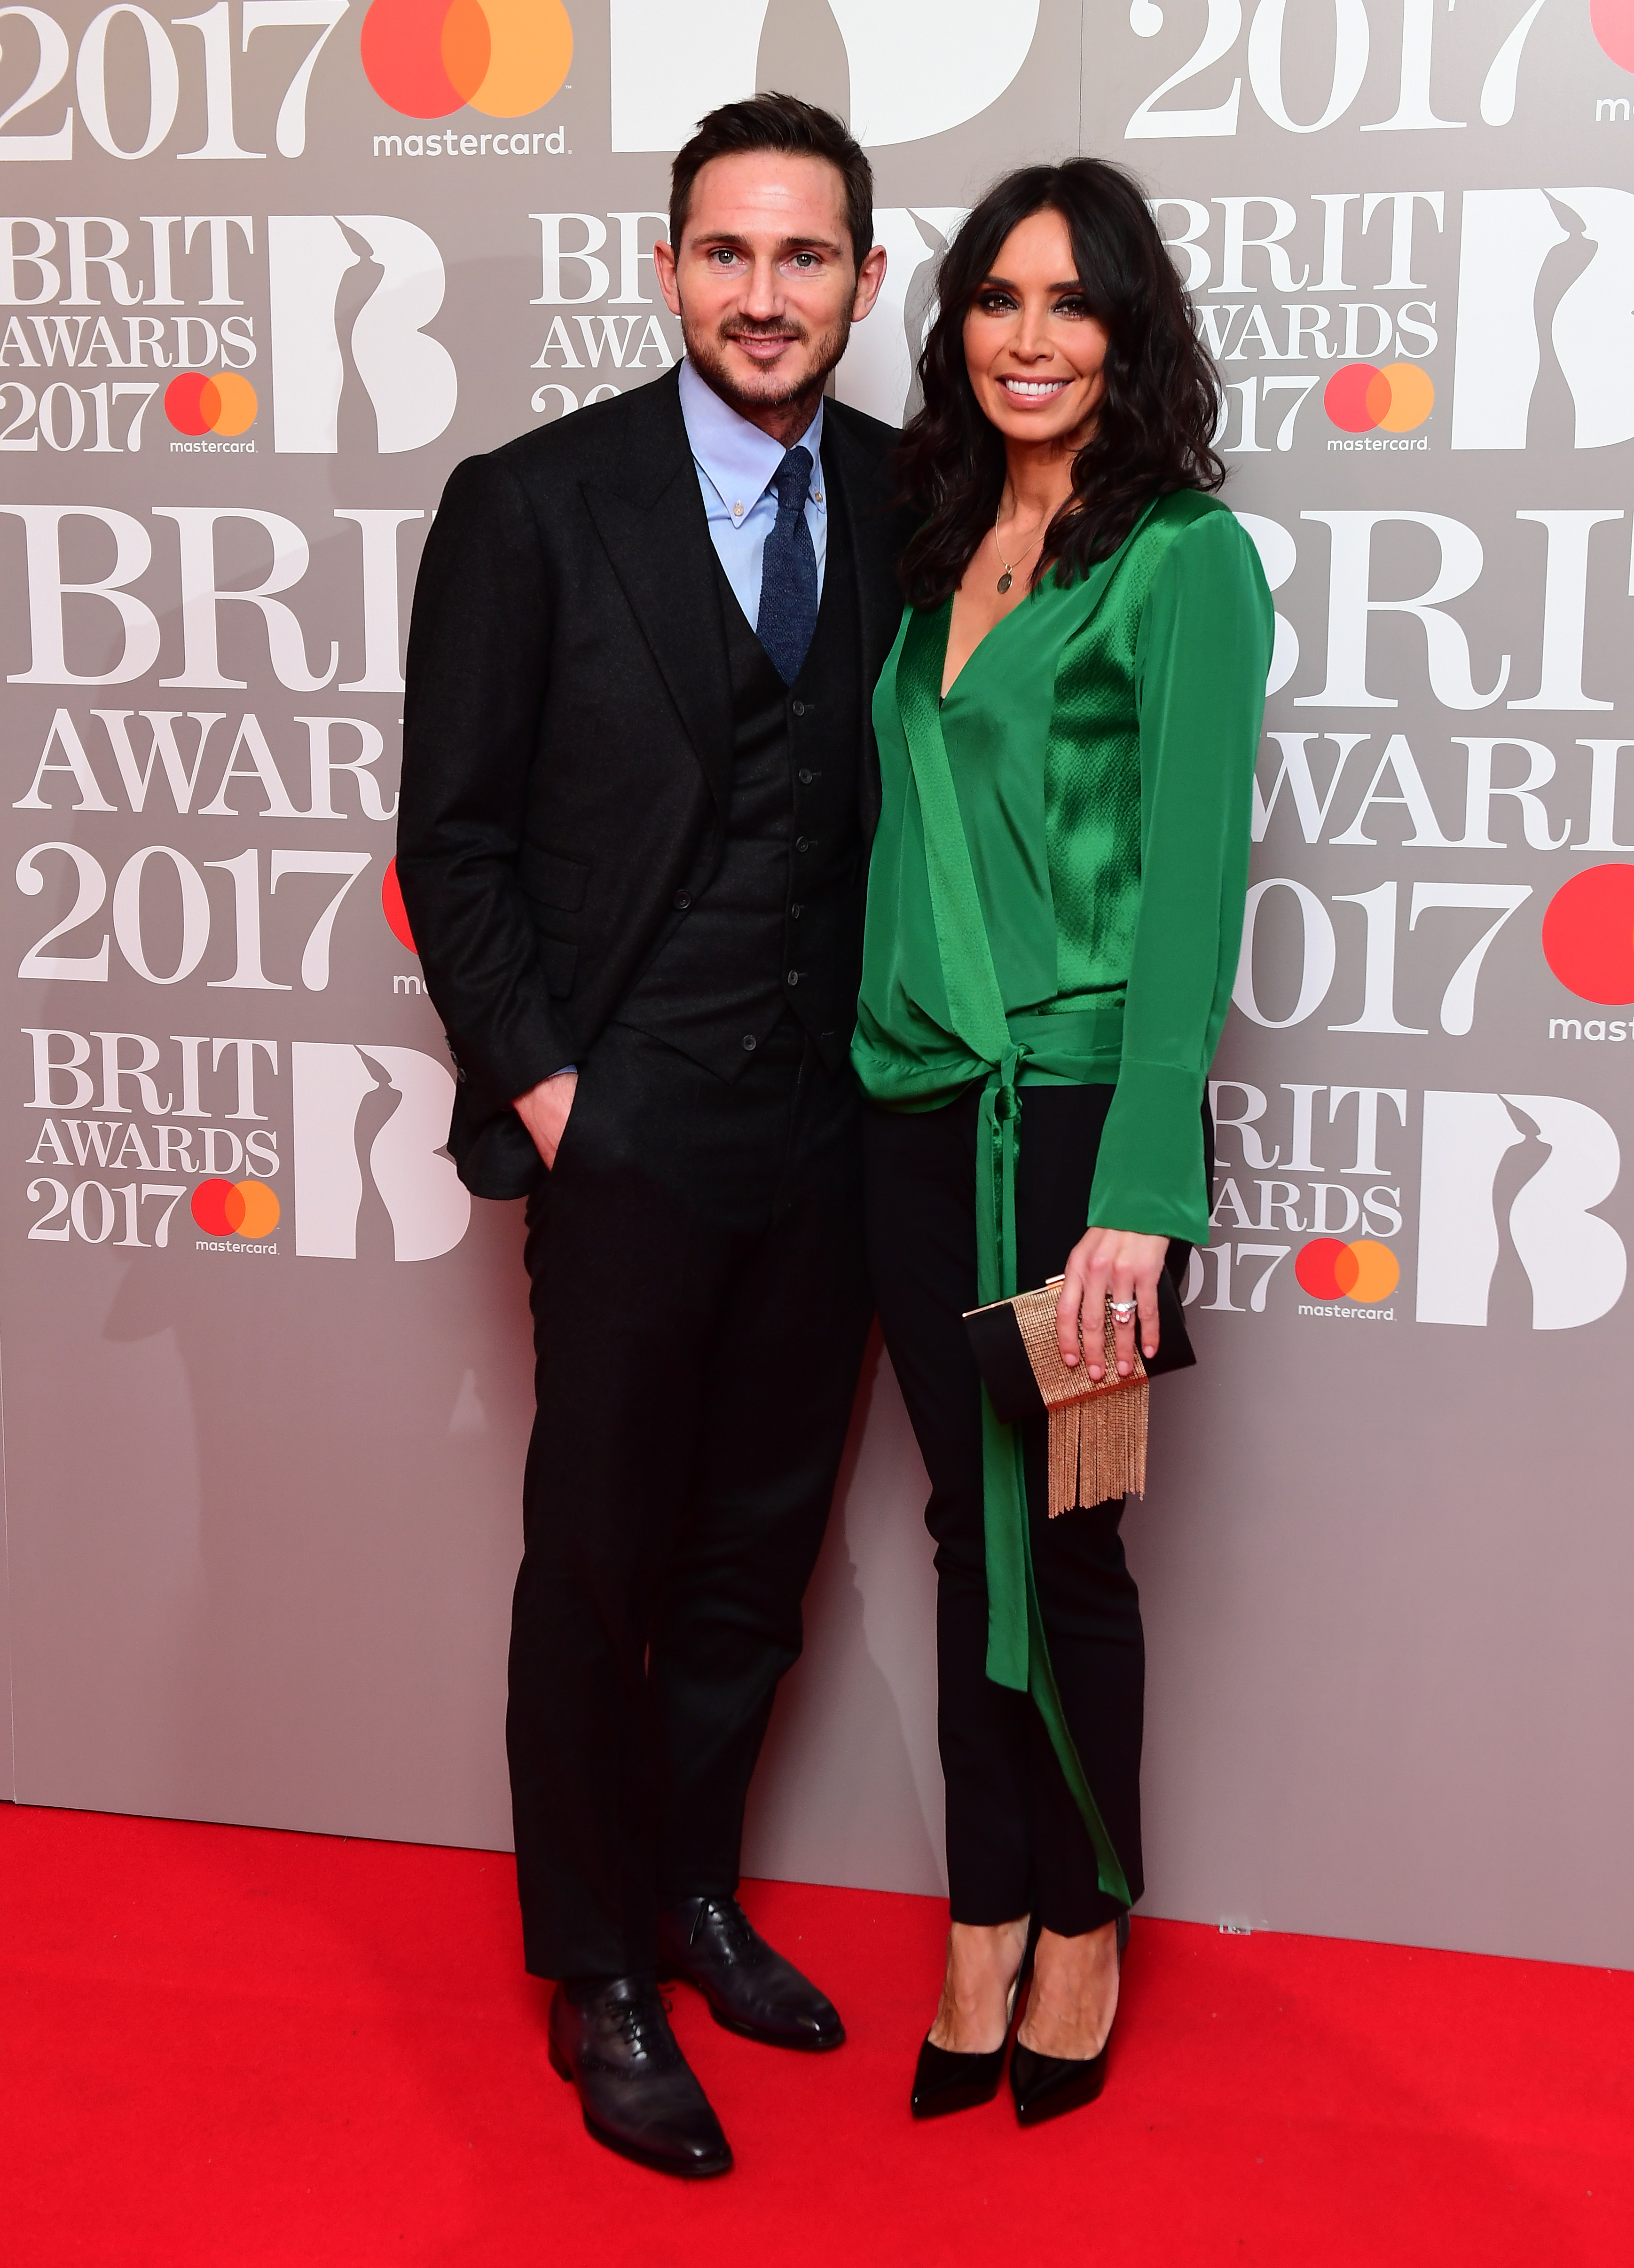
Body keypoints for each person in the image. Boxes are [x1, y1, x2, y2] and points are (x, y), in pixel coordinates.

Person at [397, 94, 904, 2180]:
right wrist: (550, 1090)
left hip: (832, 1130)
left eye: (804, 259)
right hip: (630, 1121)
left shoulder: (910, 493)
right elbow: (453, 832)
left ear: (865, 284)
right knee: (596, 1557)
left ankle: (693, 1890)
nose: (762, 294)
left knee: (752, 1560)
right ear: (668, 264)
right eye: (727, 252)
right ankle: (594, 1964)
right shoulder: (529, 504)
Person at [855, 159, 1272, 2127]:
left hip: (1082, 1122)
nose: (1028, 337)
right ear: (953, 328)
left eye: (1070, 302)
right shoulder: (930, 547)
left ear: (1129, 332)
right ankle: (978, 1910)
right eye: (995, 299)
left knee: (1070, 1540)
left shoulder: (1180, 557)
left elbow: (1190, 895)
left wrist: (1138, 1203)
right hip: (913, 1114)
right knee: (964, 1536)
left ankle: (1083, 1916)